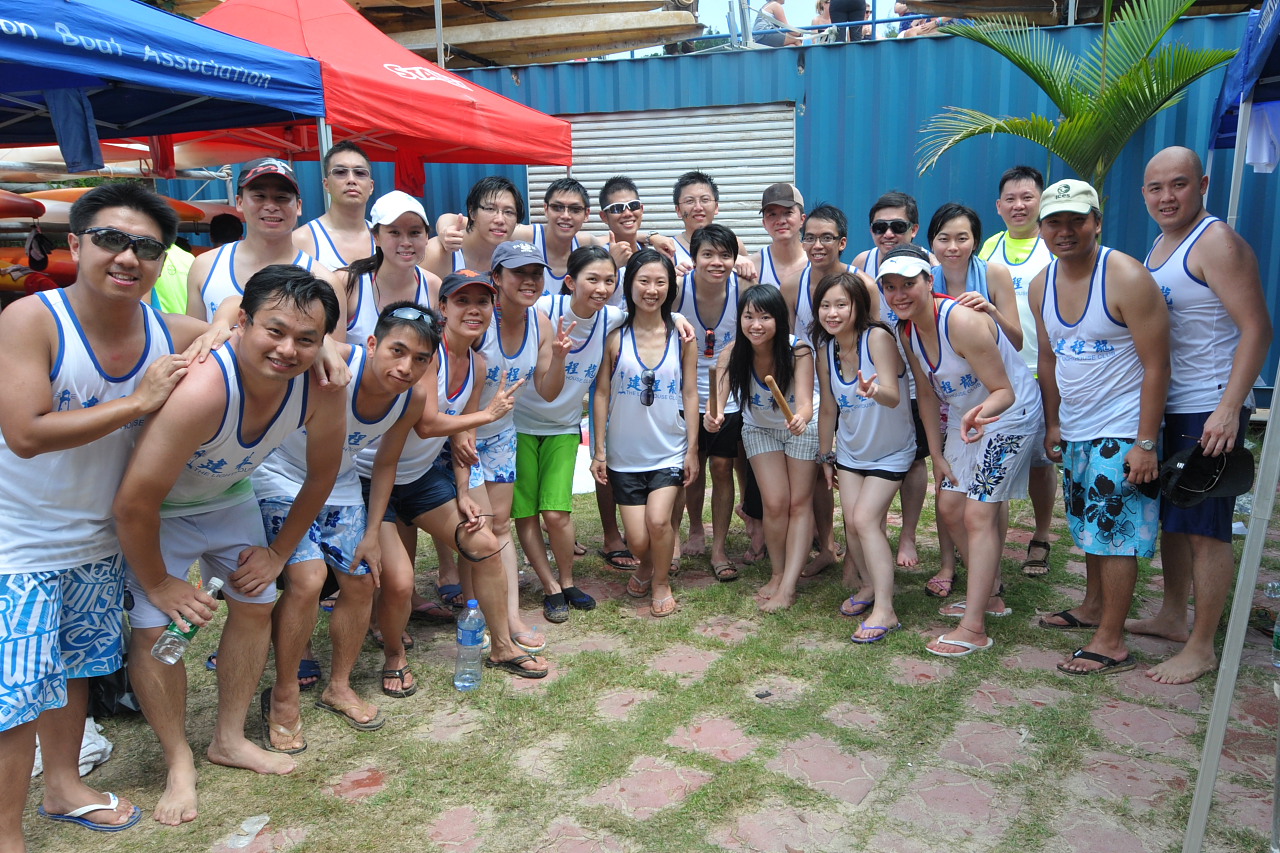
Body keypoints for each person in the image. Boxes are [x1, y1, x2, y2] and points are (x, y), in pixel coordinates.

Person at [0, 183, 223, 846]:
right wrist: (138, 402)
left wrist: (302, 342)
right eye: (110, 239)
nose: (128, 257)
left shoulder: (167, 331)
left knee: (74, 669)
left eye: (147, 247)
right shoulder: (32, 320)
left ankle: (64, 785)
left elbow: (240, 323)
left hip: (97, 540)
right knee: (17, 695)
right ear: (75, 244)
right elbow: (26, 433)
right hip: (17, 542)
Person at [115, 265, 346, 824]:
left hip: (228, 496)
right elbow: (133, 504)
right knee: (155, 630)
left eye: (306, 339)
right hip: (159, 512)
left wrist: (278, 553)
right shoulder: (204, 389)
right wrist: (159, 583)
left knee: (256, 602)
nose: (287, 350)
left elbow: (321, 477)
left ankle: (229, 738)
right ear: (243, 322)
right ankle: (178, 761)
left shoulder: (321, 387)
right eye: (274, 331)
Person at [253, 302, 439, 749]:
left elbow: (386, 464)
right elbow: (305, 337)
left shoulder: (410, 398)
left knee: (361, 579)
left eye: (420, 359)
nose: (406, 367)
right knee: (308, 579)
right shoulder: (340, 361)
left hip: (339, 483)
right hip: (278, 475)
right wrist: (324, 347)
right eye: (397, 351)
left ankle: (339, 686)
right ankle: (283, 693)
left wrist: (373, 533)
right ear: (372, 344)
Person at [357, 270, 548, 686]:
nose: (473, 310)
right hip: (372, 478)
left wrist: (462, 490)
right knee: (400, 581)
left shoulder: (477, 364)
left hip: (421, 477)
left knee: (485, 543)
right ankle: (394, 655)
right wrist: (487, 415)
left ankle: (502, 646)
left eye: (482, 302)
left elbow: (464, 436)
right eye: (462, 301)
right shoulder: (428, 354)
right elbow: (426, 423)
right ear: (443, 308)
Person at [1125, 147, 1271, 684]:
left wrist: (1229, 408)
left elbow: (1257, 328)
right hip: (1173, 403)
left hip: (1208, 405)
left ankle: (1203, 645)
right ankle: (1171, 615)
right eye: (1155, 187)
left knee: (1207, 528)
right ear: (1144, 193)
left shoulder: (1216, 242)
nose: (1166, 197)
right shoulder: (1163, 244)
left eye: (1179, 184)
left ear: (1203, 184)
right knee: (1176, 517)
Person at [1029, 179, 1170, 676]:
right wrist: (1053, 422)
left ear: (1097, 222)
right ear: (1042, 228)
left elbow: (1158, 365)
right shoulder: (1041, 284)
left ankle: (1111, 640)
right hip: (1077, 427)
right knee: (1089, 526)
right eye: (1055, 222)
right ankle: (1092, 607)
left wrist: (1145, 442)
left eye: (1077, 220)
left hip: (1123, 426)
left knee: (1114, 534)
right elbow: (1048, 359)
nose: (1065, 231)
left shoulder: (1125, 276)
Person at [884, 244, 1043, 657]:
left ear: (929, 281)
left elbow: (1004, 391)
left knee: (978, 514)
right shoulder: (906, 330)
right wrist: (937, 454)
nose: (899, 294)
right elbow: (926, 393)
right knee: (951, 508)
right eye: (890, 286)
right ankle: (988, 594)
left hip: (1008, 415)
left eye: (908, 284)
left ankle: (974, 628)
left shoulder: (961, 321)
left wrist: (978, 417)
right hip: (964, 417)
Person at [515, 246, 626, 623]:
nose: (601, 288)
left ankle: (567, 581)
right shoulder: (543, 309)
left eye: (609, 280)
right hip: (517, 424)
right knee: (526, 513)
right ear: (570, 282)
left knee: (556, 512)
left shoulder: (610, 317)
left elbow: (650, 313)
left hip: (563, 426)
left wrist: (676, 318)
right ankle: (550, 586)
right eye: (592, 279)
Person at [593, 249, 701, 615]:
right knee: (638, 541)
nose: (651, 290)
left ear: (670, 288)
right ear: (630, 285)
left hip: (669, 449)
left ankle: (661, 583)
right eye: (643, 281)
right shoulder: (615, 337)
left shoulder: (683, 337)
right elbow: (601, 394)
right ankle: (646, 565)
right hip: (625, 455)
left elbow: (690, 392)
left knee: (658, 521)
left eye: (660, 282)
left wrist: (692, 449)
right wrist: (599, 450)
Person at [475, 241, 575, 626]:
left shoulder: (541, 323)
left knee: (498, 526)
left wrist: (560, 359)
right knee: (475, 529)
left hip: (501, 435)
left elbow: (547, 391)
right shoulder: (479, 320)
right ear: (497, 278)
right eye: (519, 273)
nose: (529, 281)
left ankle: (509, 616)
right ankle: (475, 605)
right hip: (462, 436)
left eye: (535, 273)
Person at [814, 270, 915, 641]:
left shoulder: (877, 338)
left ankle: (886, 610)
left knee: (865, 520)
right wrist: (826, 455)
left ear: (858, 306)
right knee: (853, 524)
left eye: (841, 304)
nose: (833, 313)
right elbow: (828, 407)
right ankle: (870, 585)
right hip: (851, 451)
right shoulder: (826, 348)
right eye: (826, 305)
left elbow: (893, 395)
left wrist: (874, 392)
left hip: (891, 451)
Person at [708, 285, 816, 610]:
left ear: (779, 319)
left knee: (798, 505)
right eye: (749, 316)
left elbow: (807, 403)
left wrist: (801, 418)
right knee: (774, 503)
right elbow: (718, 404)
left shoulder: (798, 351)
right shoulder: (732, 354)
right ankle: (778, 573)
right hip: (759, 429)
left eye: (765, 317)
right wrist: (712, 419)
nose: (756, 325)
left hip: (799, 428)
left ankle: (789, 586)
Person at [853, 191, 941, 575]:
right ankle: (875, 529)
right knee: (882, 457)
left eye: (897, 226)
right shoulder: (862, 263)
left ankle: (908, 534)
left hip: (918, 376)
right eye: (880, 227)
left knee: (915, 458)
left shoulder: (928, 264)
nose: (888, 234)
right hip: (877, 378)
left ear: (914, 229)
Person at [978, 166, 1058, 579]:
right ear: (998, 206)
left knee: (1043, 461)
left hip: (1044, 370)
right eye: (1010, 199)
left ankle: (1041, 535)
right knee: (995, 457)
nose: (1019, 206)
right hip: (998, 375)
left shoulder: (1054, 245)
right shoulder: (989, 247)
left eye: (1027, 197)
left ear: (1040, 201)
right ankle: (989, 541)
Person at [187, 158, 344, 328]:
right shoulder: (205, 266)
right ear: (239, 202)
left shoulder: (324, 281)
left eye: (281, 197)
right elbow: (194, 339)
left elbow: (331, 345)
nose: (270, 206)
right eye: (259, 196)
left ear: (299, 206)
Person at [677, 224, 743, 578]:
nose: (717, 262)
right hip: (683, 392)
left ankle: (719, 547)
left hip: (727, 393)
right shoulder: (677, 289)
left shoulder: (743, 287)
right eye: (708, 254)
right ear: (694, 258)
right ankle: (693, 530)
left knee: (721, 466)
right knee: (690, 468)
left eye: (725, 255)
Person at [292, 141, 377, 272]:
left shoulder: (384, 238)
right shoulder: (300, 241)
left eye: (360, 173)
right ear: (326, 185)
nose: (351, 180)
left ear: (371, 186)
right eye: (340, 172)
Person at [426, 176, 523, 276]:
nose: (500, 220)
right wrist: (444, 230)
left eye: (508, 212)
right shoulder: (437, 253)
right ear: (472, 213)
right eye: (490, 209)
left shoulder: (519, 249)